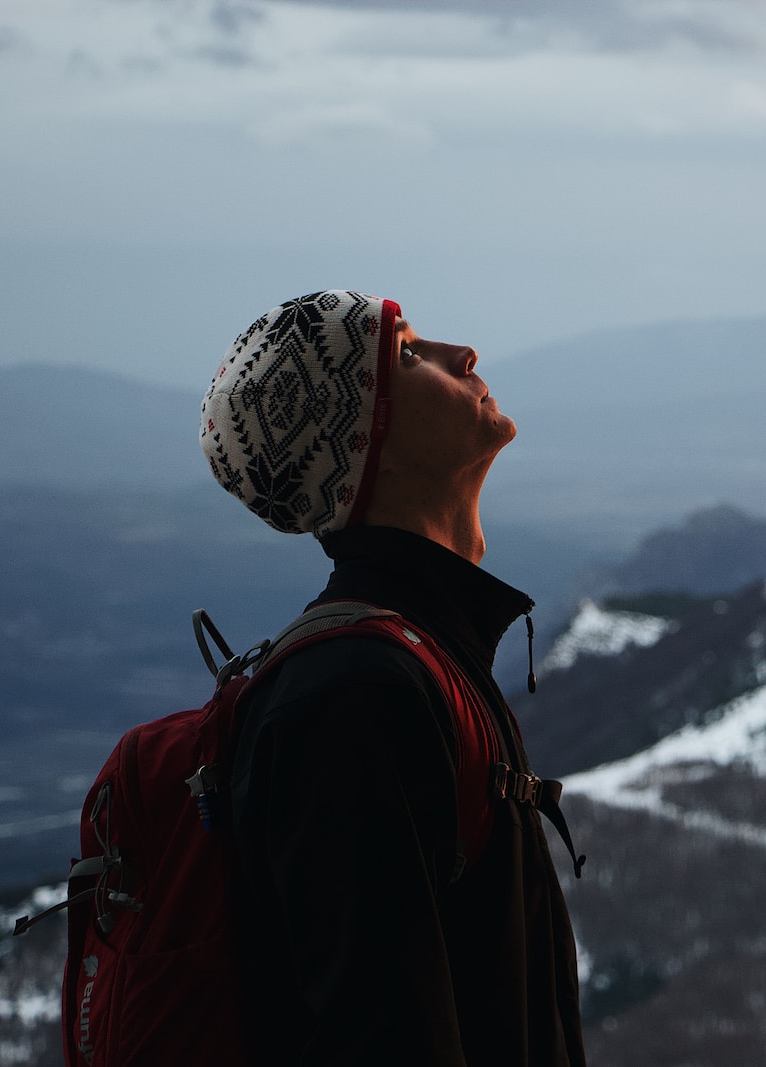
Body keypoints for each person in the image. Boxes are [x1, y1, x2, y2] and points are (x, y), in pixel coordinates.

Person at [199, 290, 585, 1065]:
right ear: (369, 444)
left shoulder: (416, 659)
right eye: (407, 354)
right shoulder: (355, 697)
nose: (462, 352)